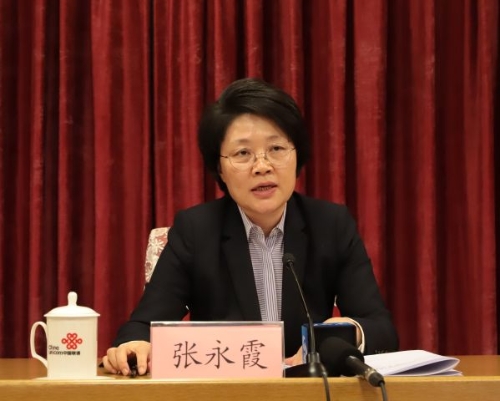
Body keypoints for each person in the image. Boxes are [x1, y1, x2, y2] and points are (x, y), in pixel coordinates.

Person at [102, 78, 399, 376]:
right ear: (220, 168)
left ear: (297, 155)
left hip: (306, 391)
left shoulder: (330, 225)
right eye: (243, 154)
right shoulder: (196, 230)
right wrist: (135, 345)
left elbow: (380, 328)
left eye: (276, 148)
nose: (262, 166)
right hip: (227, 391)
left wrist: (350, 330)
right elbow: (142, 326)